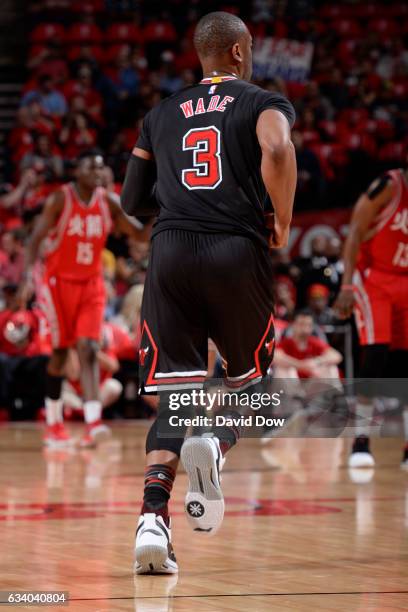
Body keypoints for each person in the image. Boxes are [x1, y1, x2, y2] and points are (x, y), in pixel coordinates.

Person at [121, 11, 296, 574]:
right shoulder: (262, 101)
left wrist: (179, 206)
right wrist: (284, 220)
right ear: (241, 52)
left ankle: (153, 520)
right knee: (257, 388)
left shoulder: (160, 114)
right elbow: (277, 151)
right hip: (235, 250)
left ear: (203, 56)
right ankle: (216, 444)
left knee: (176, 398)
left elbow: (130, 200)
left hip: (170, 253)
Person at [21, 151, 150, 448]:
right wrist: (29, 276)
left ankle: (93, 423)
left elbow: (140, 235)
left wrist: (159, 204)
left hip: (92, 283)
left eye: (101, 167)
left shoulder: (109, 202)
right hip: (57, 283)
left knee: (89, 347)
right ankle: (54, 422)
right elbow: (36, 239)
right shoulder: (60, 200)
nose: (97, 171)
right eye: (91, 166)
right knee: (61, 354)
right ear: (76, 171)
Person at [334, 164, 408, 468]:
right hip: (374, 279)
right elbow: (354, 234)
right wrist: (347, 284)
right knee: (374, 358)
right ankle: (360, 439)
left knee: (405, 364)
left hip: (405, 281)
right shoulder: (389, 186)